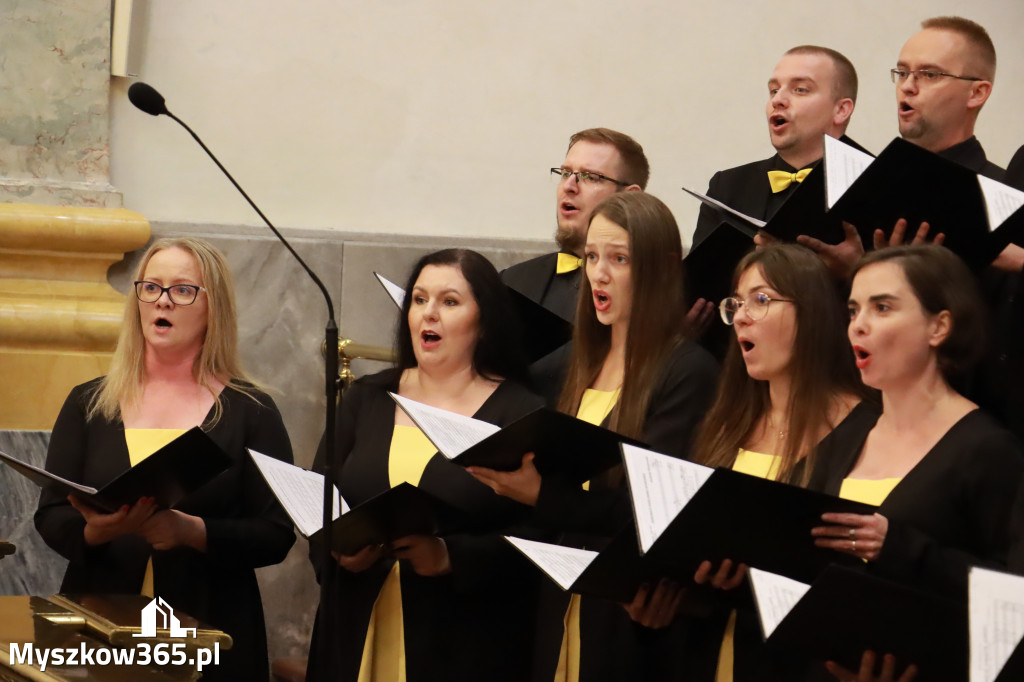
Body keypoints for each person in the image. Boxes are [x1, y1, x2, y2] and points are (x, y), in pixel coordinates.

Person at [470, 191, 719, 681]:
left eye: (619, 259)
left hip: (629, 615)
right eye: (591, 257)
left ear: (664, 267)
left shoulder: (686, 371)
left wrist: (543, 495)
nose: (599, 274)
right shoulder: (569, 365)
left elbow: (652, 509)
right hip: (557, 602)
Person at [34, 237, 295, 682]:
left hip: (210, 622)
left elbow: (275, 534)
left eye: (183, 290)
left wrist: (193, 531)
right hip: (98, 622)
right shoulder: (90, 404)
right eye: (151, 288)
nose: (163, 301)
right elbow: (52, 516)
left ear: (214, 307)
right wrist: (96, 531)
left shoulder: (251, 412)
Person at [306, 248, 544, 682]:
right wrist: (336, 553)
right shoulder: (367, 397)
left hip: (462, 642)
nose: (428, 314)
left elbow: (540, 537)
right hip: (355, 626)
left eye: (449, 302)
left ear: (484, 319)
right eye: (419, 299)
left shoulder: (518, 412)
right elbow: (320, 498)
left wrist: (452, 556)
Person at [810, 245, 1024, 676]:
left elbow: (1014, 595)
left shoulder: (988, 449)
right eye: (853, 311)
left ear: (938, 326)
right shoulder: (845, 435)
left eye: (882, 307)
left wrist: (901, 548)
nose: (859, 326)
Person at [681, 244, 871, 682]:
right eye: (737, 303)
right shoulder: (727, 422)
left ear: (814, 313)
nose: (742, 316)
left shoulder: (866, 430)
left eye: (762, 300)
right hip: (711, 652)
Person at [501, 128, 652, 404]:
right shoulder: (513, 281)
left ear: (631, 196)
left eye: (590, 177)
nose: (570, 186)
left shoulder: (656, 292)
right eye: (565, 173)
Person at [693, 45, 859, 247]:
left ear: (841, 110)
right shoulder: (728, 187)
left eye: (800, 90)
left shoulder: (871, 186)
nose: (778, 100)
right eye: (773, 90)